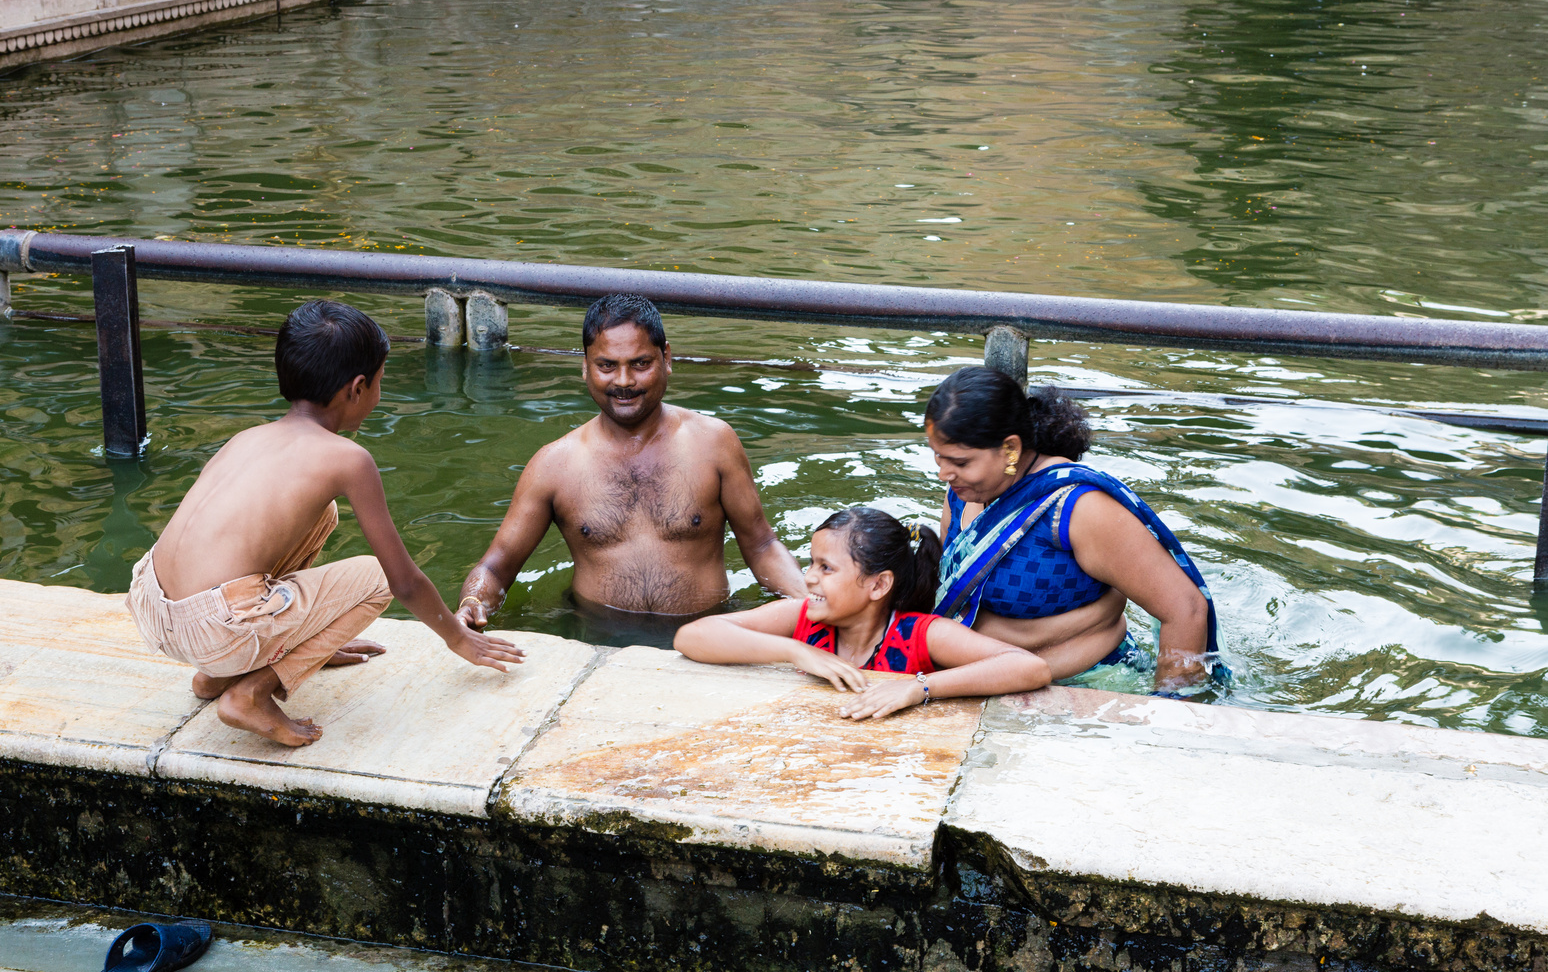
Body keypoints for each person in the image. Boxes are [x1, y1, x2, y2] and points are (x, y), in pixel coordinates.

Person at [127, 300, 525, 747]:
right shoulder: (348, 459)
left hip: (152, 608)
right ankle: (250, 692)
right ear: (357, 388)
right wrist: (458, 639)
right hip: (218, 629)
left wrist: (310, 641)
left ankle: (215, 676)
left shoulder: (248, 438)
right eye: (379, 382)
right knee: (377, 578)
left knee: (322, 514)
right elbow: (404, 582)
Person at [457, 294, 806, 636]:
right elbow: (496, 567)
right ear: (585, 365)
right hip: (596, 635)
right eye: (606, 365)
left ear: (666, 357)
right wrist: (472, 603)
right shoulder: (554, 464)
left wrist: (811, 604)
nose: (623, 382)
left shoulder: (714, 443)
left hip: (708, 635)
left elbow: (761, 546)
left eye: (640, 363)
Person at [924, 366, 1221, 692]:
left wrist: (1172, 710)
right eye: (939, 458)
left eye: (961, 462)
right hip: (973, 683)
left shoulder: (1077, 509)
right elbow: (951, 599)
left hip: (1094, 690)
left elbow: (1186, 609)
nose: (944, 474)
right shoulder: (962, 491)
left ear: (1010, 449)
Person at [674, 506, 1050, 718]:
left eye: (826, 568)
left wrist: (918, 688)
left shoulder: (920, 634)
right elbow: (691, 637)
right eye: (811, 564)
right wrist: (796, 650)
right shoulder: (801, 618)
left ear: (878, 585)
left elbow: (1030, 667)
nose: (808, 579)